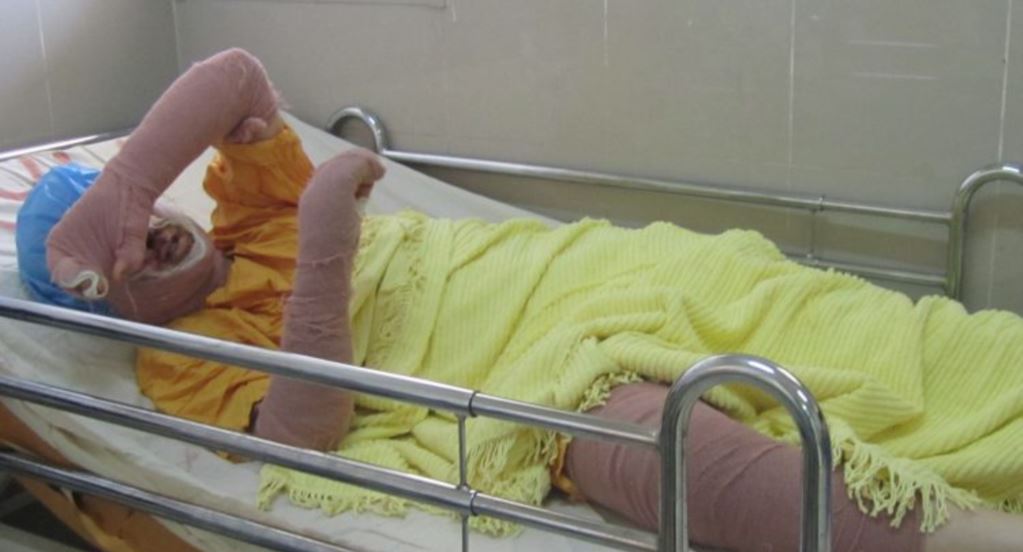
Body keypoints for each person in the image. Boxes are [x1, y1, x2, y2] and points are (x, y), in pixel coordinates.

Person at [28, 49, 1021, 552]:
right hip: (512, 371)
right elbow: (303, 433)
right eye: (114, 263)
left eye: (136, 213)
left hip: (566, 271)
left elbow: (234, 77)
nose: (142, 239)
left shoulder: (249, 203)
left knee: (827, 321)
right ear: (112, 307)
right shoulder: (181, 358)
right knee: (649, 444)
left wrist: (121, 186)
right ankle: (966, 538)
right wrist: (327, 240)